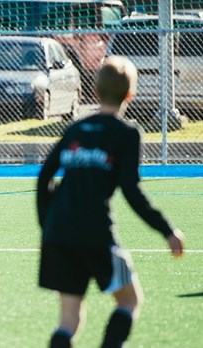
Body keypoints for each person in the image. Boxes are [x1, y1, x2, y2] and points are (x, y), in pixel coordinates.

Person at [36, 56, 185, 348]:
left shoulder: (76, 129)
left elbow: (44, 179)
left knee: (69, 321)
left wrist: (47, 228)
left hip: (59, 234)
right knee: (129, 301)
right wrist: (167, 230)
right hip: (95, 234)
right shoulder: (126, 134)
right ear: (131, 94)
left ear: (95, 91)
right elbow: (132, 191)